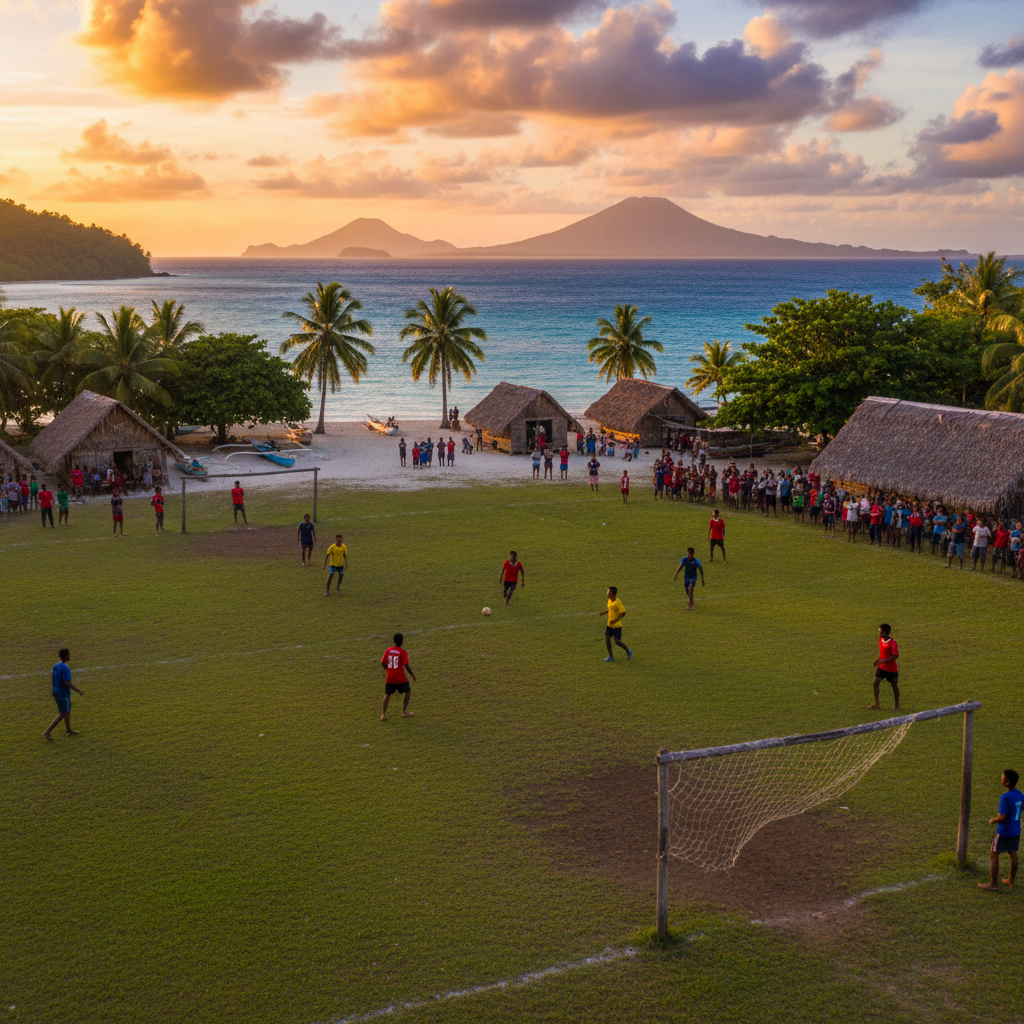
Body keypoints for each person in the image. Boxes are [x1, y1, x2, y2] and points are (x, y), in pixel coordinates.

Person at [978, 769, 1021, 891]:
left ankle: (993, 884)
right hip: (1016, 829)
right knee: (1013, 853)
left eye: (1002, 778)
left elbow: (1002, 816)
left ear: (1007, 782)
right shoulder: (1020, 794)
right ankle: (1011, 880)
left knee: (994, 853)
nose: (1001, 779)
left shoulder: (1005, 797)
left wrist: (993, 820)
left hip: (1005, 831)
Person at [44, 647, 83, 741]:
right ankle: (47, 732)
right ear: (66, 656)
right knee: (63, 713)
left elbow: (54, 678)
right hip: (62, 694)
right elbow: (67, 683)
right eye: (68, 654)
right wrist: (78, 690)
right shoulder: (65, 668)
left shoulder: (56, 665)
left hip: (57, 691)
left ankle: (69, 730)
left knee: (68, 709)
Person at [381, 632, 417, 721]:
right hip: (400, 678)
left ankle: (383, 714)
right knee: (408, 692)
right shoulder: (402, 652)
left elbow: (383, 662)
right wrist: (412, 675)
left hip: (390, 677)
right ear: (402, 641)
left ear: (394, 641)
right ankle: (404, 712)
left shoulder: (388, 650)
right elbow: (406, 665)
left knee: (387, 694)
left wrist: (387, 669)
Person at [868, 623, 900, 710]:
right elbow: (883, 653)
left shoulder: (893, 642)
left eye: (880, 631)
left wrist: (883, 661)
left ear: (885, 632)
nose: (879, 633)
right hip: (882, 667)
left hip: (891, 669)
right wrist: (878, 660)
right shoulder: (880, 639)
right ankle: (876, 704)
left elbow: (896, 655)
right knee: (875, 683)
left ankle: (897, 706)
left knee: (894, 686)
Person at [600, 586, 630, 662]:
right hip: (609, 624)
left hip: (617, 625)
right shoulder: (609, 601)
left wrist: (615, 620)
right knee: (607, 639)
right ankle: (611, 656)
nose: (607, 593)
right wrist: (604, 612)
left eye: (608, 592)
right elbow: (611, 609)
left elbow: (623, 613)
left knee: (617, 641)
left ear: (612, 594)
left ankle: (628, 651)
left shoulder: (618, 602)